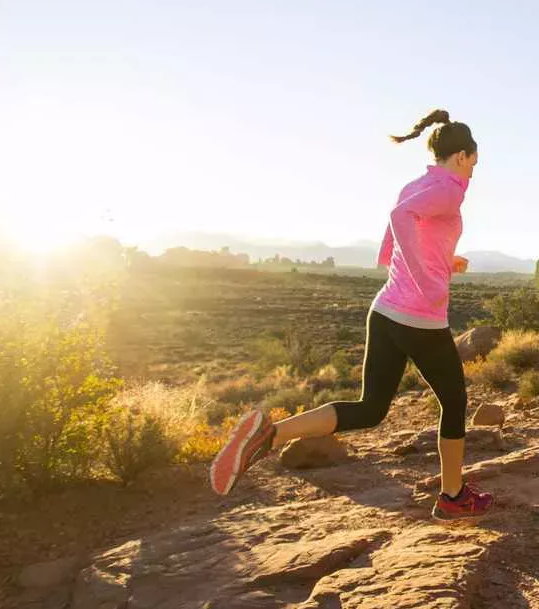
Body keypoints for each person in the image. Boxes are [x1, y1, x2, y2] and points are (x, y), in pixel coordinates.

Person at [208, 109, 494, 521]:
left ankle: (270, 435)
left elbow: (408, 229)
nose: (473, 172)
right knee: (454, 400)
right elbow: (400, 220)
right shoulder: (450, 189)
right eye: (475, 162)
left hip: (385, 311)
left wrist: (445, 262)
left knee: (371, 407)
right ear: (464, 156)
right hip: (419, 317)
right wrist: (428, 283)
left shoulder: (420, 183)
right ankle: (453, 496)